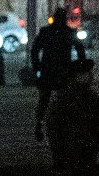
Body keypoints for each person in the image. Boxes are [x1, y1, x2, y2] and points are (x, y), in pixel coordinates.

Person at [45, 59, 99, 176]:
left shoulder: (90, 97)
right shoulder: (64, 98)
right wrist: (59, 155)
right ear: (77, 76)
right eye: (87, 73)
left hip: (86, 152)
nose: (91, 76)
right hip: (70, 154)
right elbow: (54, 130)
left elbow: (97, 126)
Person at [30, 8, 85, 140]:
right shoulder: (68, 32)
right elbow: (80, 49)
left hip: (48, 70)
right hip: (64, 70)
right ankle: (67, 123)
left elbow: (35, 50)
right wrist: (79, 66)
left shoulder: (46, 32)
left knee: (44, 99)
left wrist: (37, 66)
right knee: (68, 97)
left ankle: (39, 123)